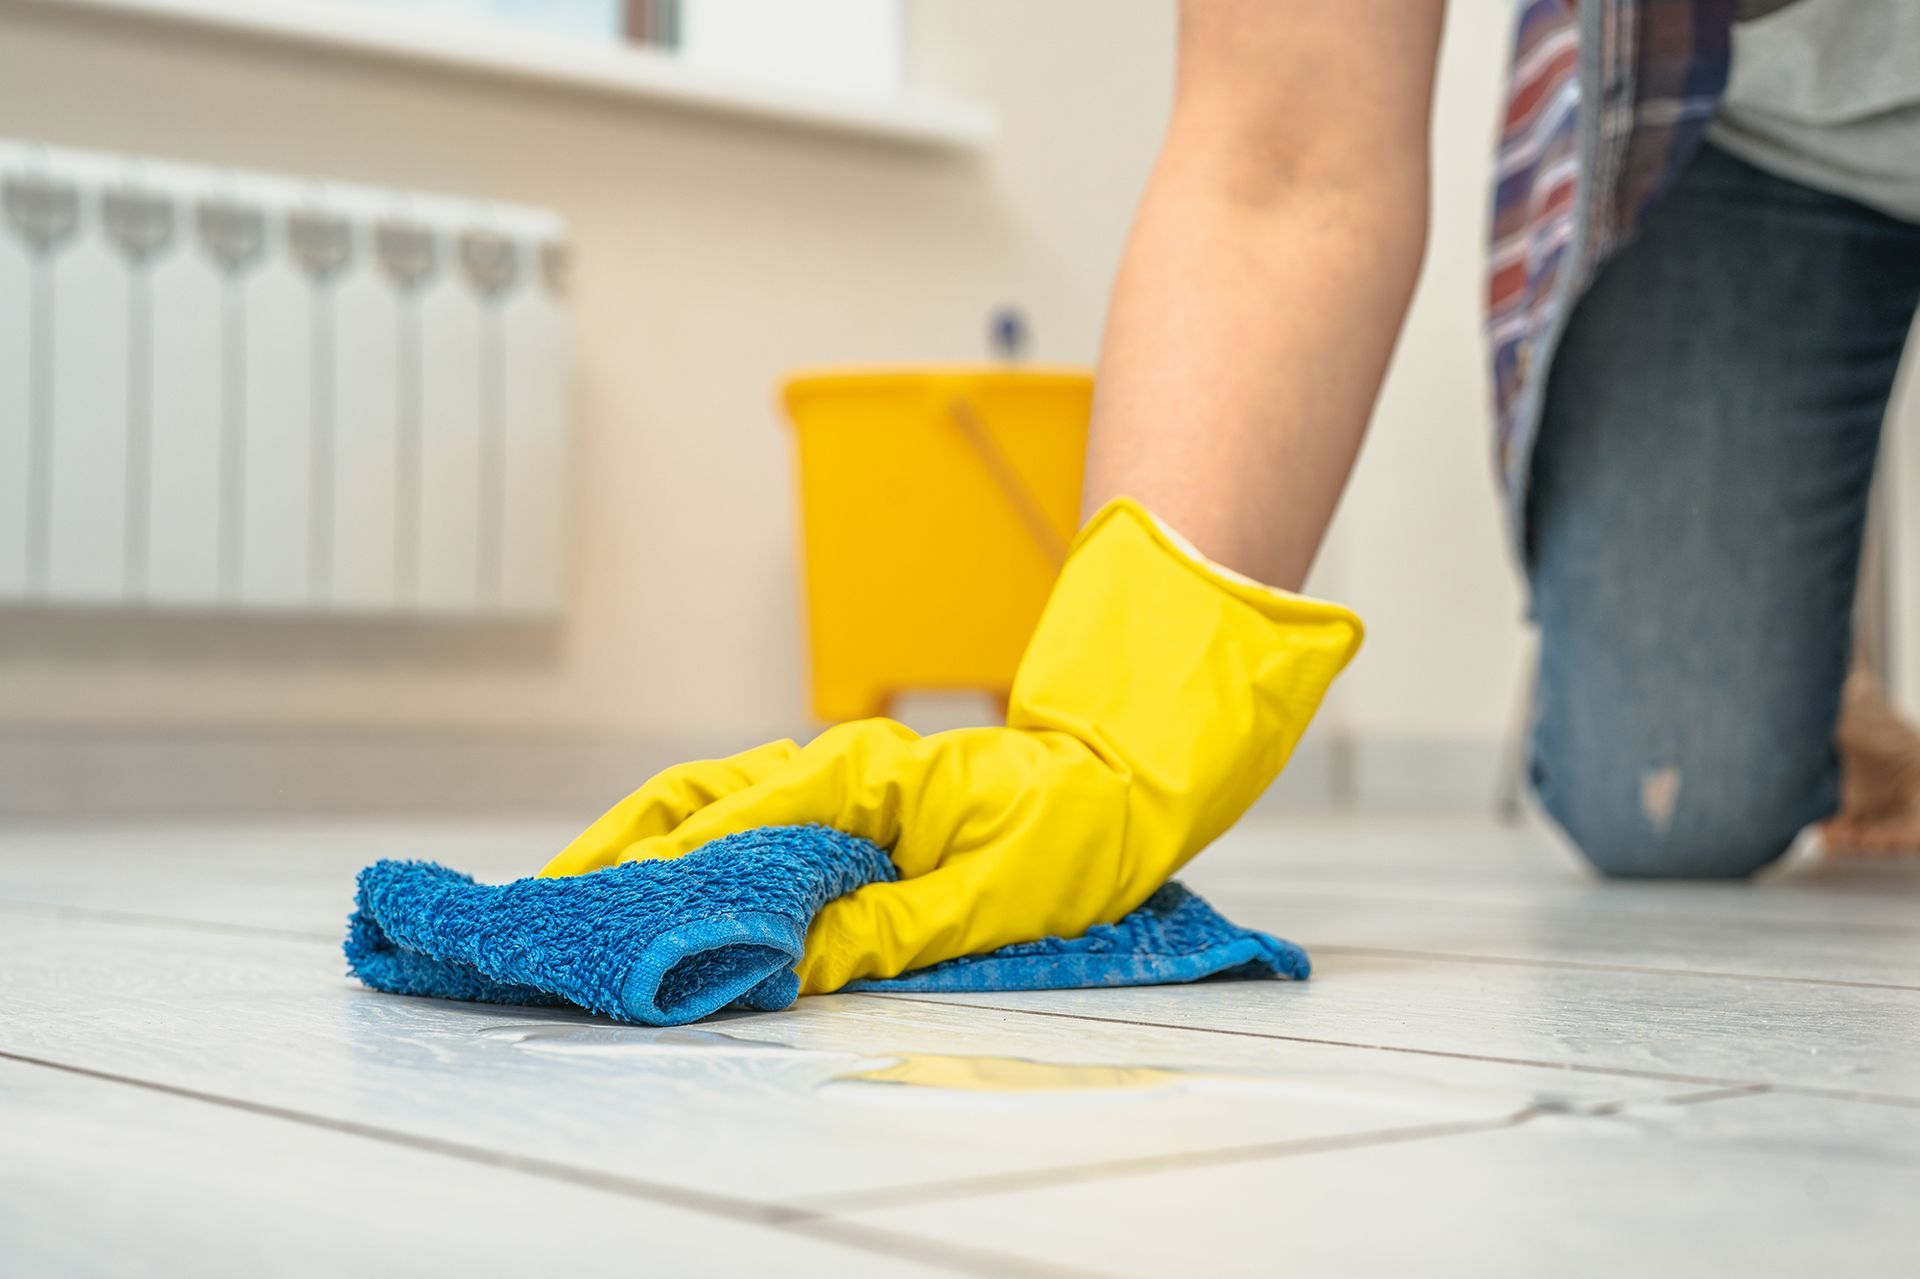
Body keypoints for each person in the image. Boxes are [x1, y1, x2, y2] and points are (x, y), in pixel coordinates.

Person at [542, 0, 1920, 988]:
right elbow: (1286, 153)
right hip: (1762, 129)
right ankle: (1829, 709)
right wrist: (1108, 750)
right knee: (1672, 804)